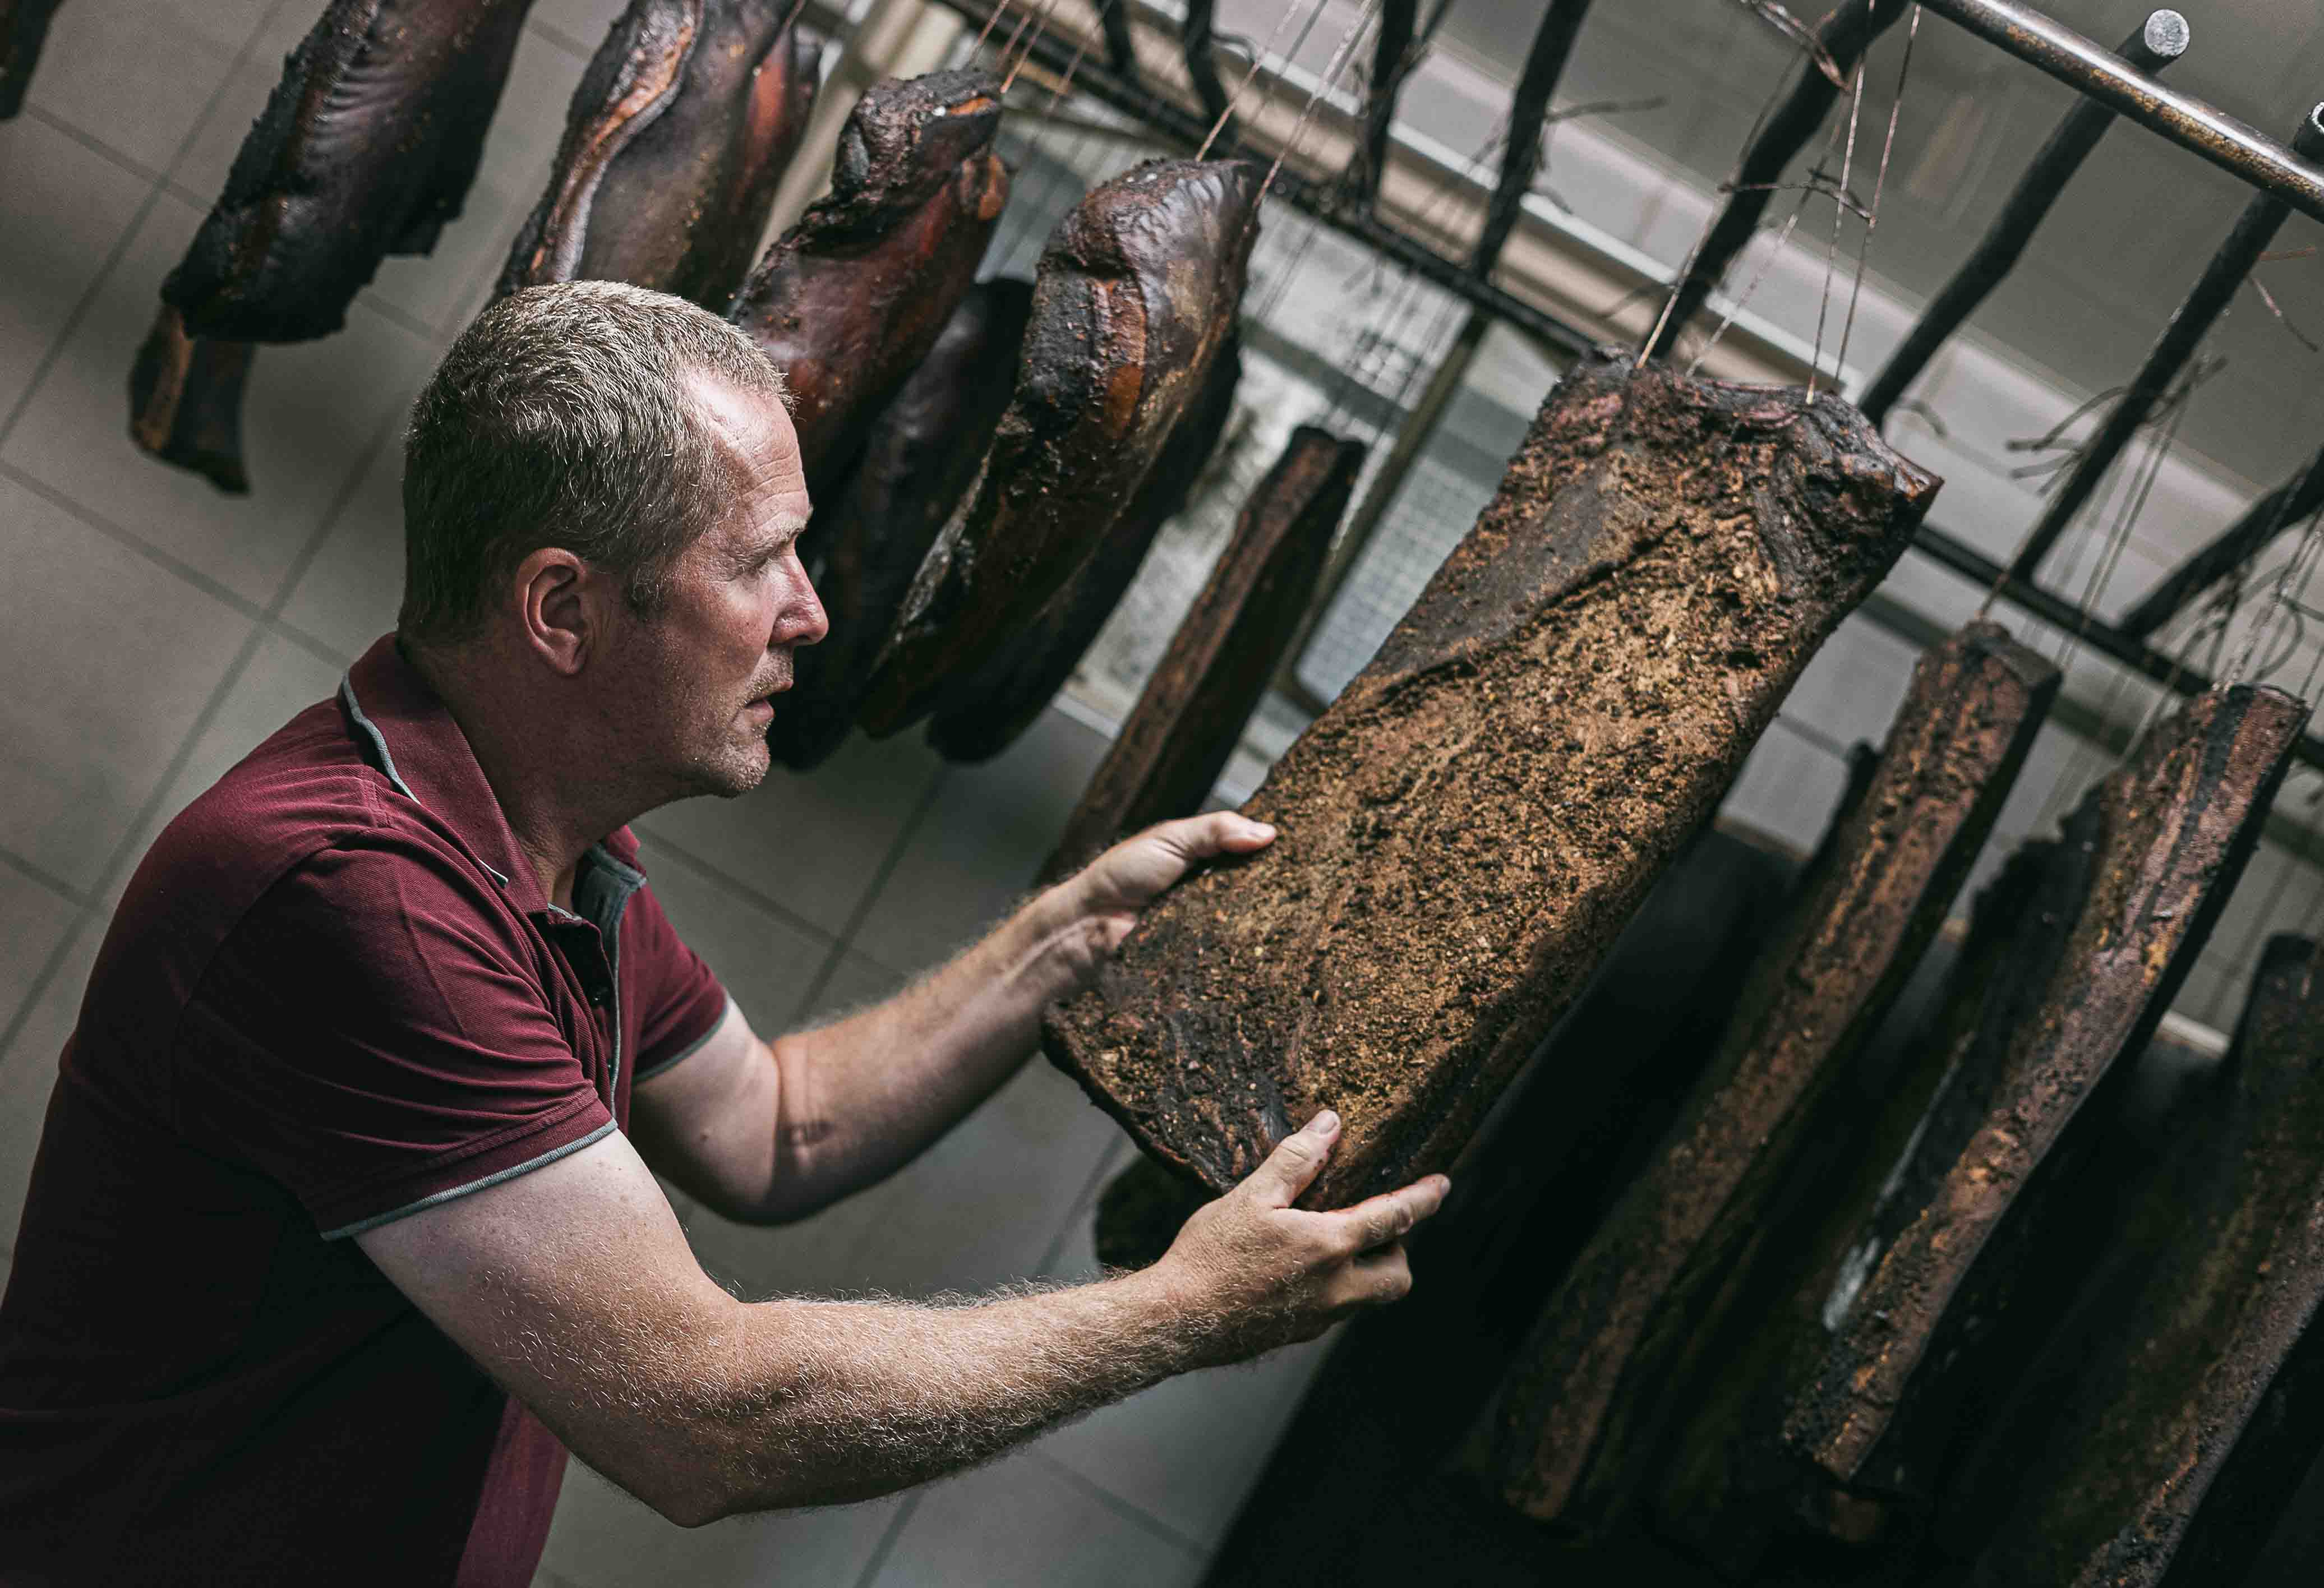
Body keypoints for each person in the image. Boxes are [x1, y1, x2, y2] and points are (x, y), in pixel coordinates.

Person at [0, 281, 1447, 1584]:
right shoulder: (361, 898)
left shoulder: (552, 845)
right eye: (759, 563)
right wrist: (1178, 1313)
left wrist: (1070, 934)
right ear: (562, 609)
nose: (811, 615)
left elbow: (779, 1128)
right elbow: (703, 1415)